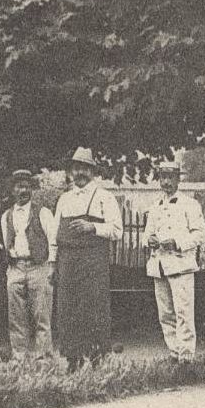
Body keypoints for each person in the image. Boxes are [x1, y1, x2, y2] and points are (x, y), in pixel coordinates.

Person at [50, 147, 122, 368]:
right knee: (68, 310)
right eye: (76, 168)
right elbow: (54, 235)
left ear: (92, 171)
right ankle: (74, 361)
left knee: (93, 310)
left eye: (85, 168)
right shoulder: (64, 199)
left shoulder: (104, 198)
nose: (80, 172)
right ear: (71, 171)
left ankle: (96, 361)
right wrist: (53, 265)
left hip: (93, 263)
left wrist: (92, 226)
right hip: (68, 262)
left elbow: (117, 230)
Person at [142, 161, 205, 361]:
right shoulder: (154, 206)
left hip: (180, 265)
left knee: (183, 313)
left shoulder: (190, 204)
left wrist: (177, 243)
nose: (166, 182)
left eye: (171, 177)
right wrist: (149, 240)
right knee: (165, 314)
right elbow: (146, 235)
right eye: (163, 177)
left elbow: (200, 234)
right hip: (159, 266)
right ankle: (173, 352)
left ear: (178, 179)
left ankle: (186, 357)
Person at [0, 169, 57, 362]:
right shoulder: (6, 215)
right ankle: (19, 357)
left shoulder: (43, 212)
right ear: (12, 190)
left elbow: (53, 241)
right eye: (18, 186)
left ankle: (43, 358)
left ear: (31, 189)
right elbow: (6, 240)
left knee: (41, 316)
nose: (23, 190)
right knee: (16, 317)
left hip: (38, 267)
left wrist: (51, 267)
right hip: (15, 268)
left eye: (26, 186)